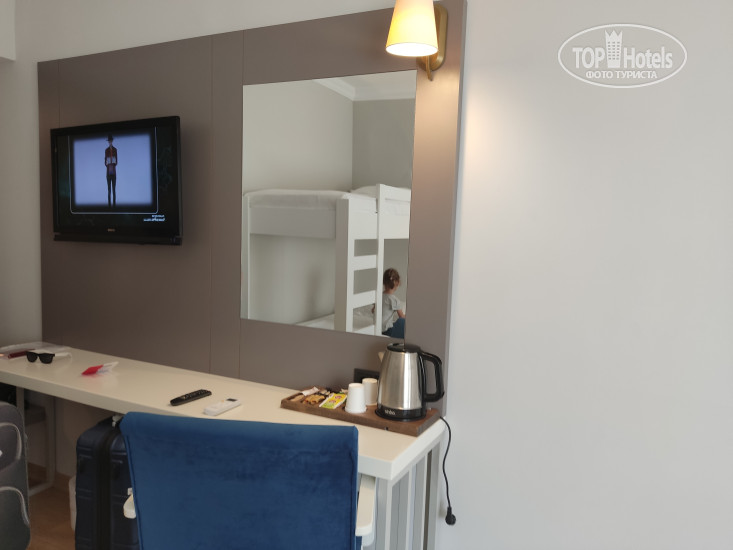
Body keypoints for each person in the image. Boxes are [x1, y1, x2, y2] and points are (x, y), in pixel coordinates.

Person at [381, 268, 405, 338]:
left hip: (377, 329)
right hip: (387, 331)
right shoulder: (394, 300)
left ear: (384, 282)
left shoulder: (379, 296)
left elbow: (373, 310)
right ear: (397, 283)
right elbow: (401, 316)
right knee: (402, 321)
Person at [104, 135, 118, 208]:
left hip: (114, 173)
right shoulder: (106, 150)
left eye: (111, 141)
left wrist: (113, 162)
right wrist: (108, 162)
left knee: (114, 190)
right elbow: (105, 162)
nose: (110, 142)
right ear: (108, 142)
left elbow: (116, 162)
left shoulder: (115, 150)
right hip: (108, 173)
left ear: (112, 141)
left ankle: (114, 206)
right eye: (109, 141)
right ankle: (109, 207)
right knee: (109, 190)